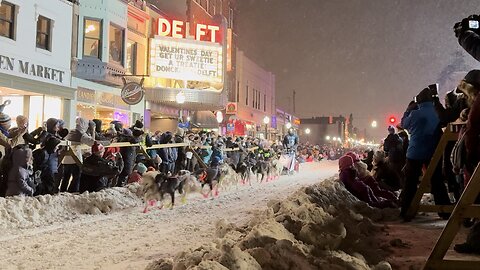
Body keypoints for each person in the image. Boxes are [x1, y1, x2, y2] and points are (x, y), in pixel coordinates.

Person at [400, 88, 451, 221]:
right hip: (433, 152)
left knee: (410, 183)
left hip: (414, 153)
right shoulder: (436, 113)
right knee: (437, 181)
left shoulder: (415, 114)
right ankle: (444, 210)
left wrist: (408, 110)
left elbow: (403, 124)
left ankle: (406, 211)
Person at [61, 117, 96, 193]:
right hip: (75, 158)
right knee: (77, 176)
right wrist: (93, 131)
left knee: (66, 177)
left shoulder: (72, 131)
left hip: (65, 159)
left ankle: (62, 191)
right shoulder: (81, 134)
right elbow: (92, 142)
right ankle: (72, 191)